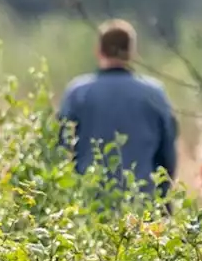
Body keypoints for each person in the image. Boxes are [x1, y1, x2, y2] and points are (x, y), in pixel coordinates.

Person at [58, 19, 180, 196]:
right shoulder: (154, 95)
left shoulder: (77, 94)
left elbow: (61, 150)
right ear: (132, 53)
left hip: (87, 205)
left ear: (98, 51)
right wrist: (164, 198)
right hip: (141, 205)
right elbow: (167, 156)